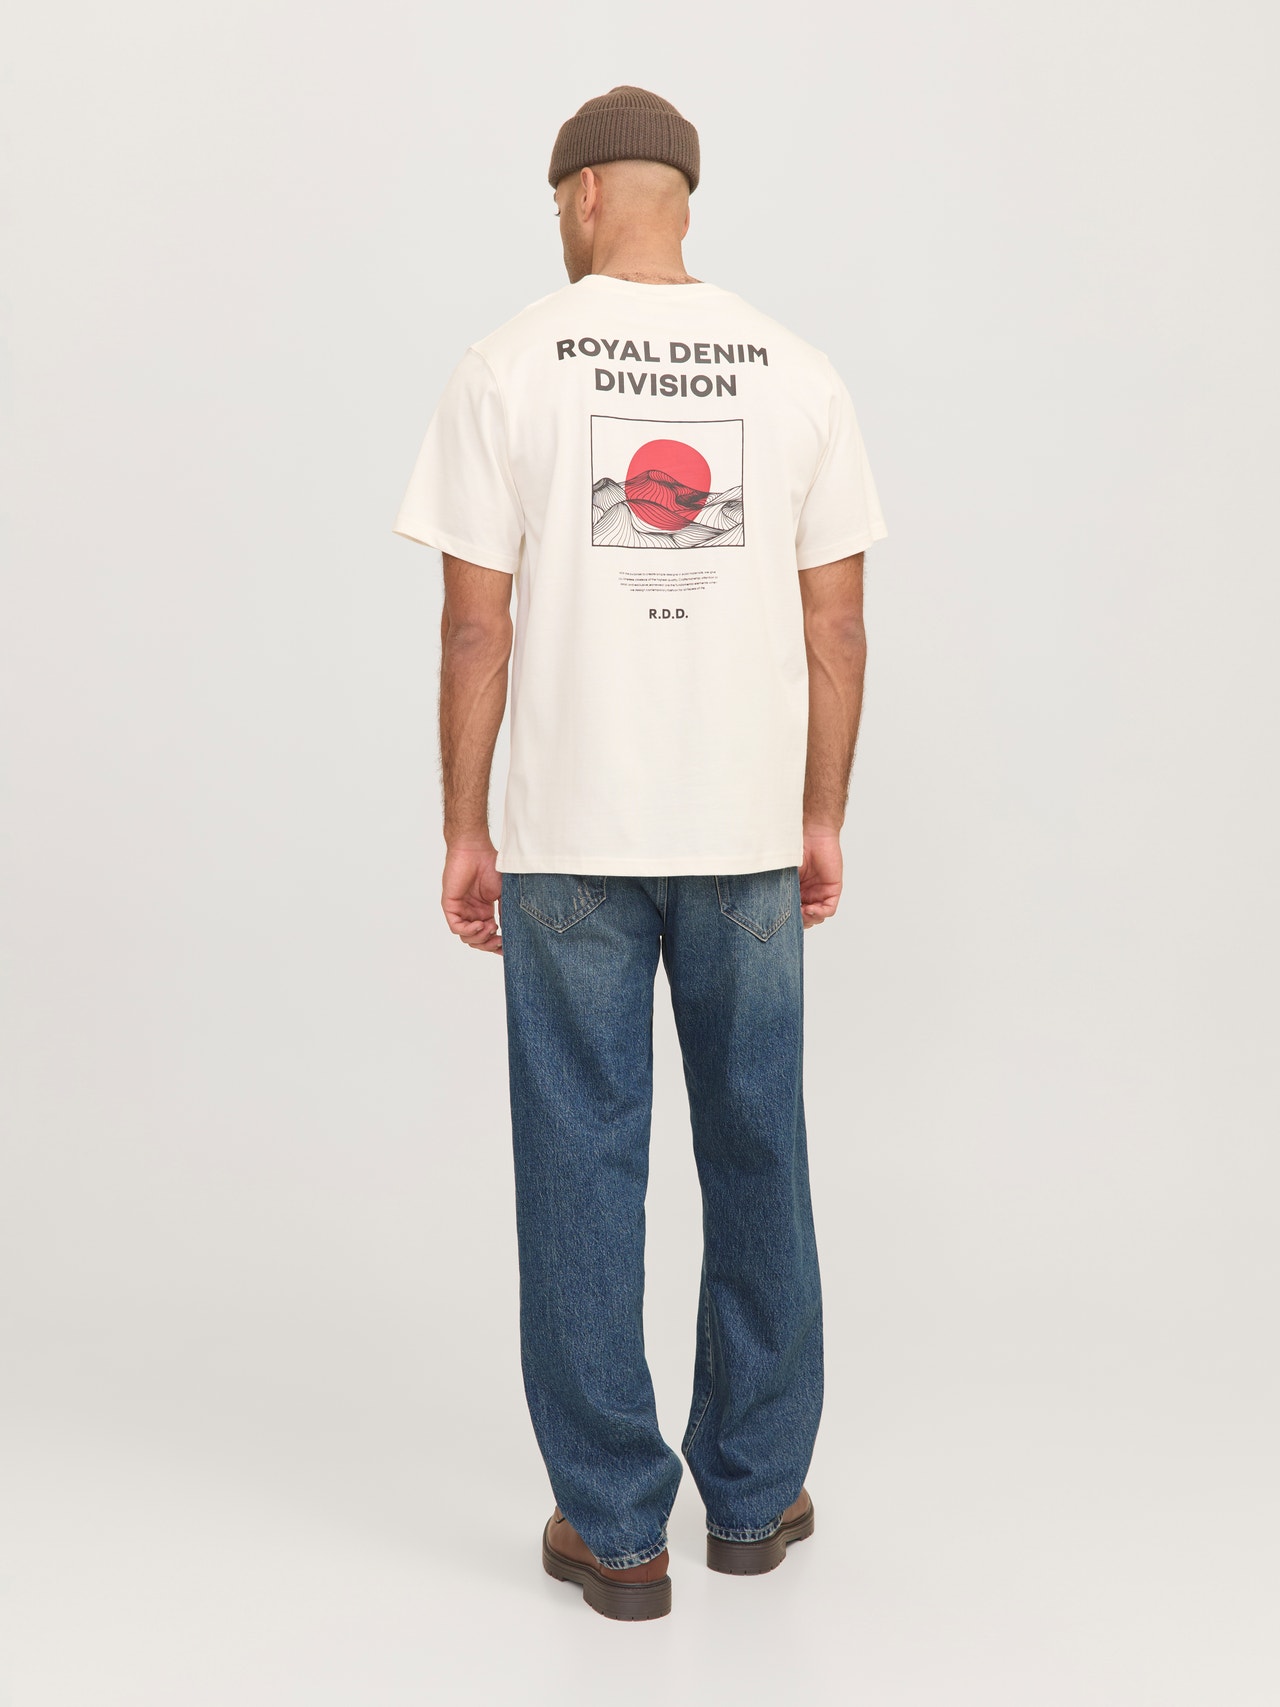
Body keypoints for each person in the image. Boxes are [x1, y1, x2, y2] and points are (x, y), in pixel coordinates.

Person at [392, 85, 887, 1622]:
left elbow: (476, 630)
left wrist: (466, 825)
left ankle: (615, 1533)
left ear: (589, 194)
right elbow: (838, 628)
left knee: (581, 1160)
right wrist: (821, 813)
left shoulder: (506, 365)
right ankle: (753, 1497)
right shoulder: (798, 372)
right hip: (746, 832)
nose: (559, 222)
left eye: (559, 201)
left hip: (570, 837)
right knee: (759, 1147)